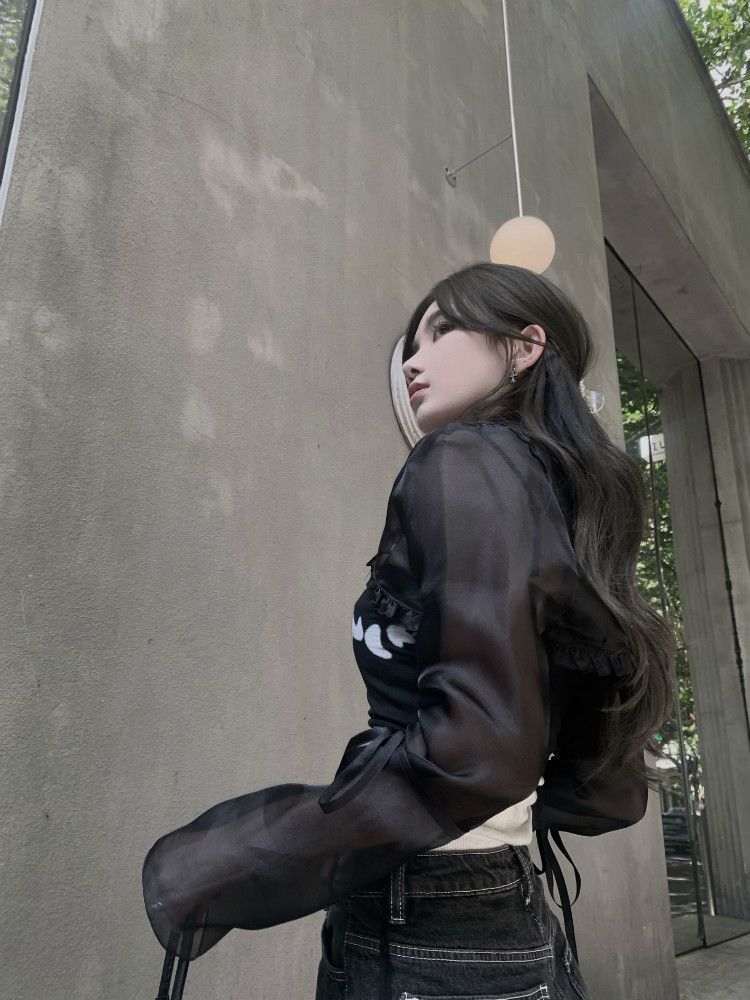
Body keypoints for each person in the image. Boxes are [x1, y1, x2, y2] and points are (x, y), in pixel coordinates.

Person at [141, 262, 676, 1000]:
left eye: (443, 329)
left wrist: (230, 859)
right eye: (409, 344)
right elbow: (604, 782)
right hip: (500, 907)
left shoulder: (464, 458)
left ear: (525, 348)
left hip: (428, 918)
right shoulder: (553, 490)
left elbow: (478, 755)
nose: (412, 361)